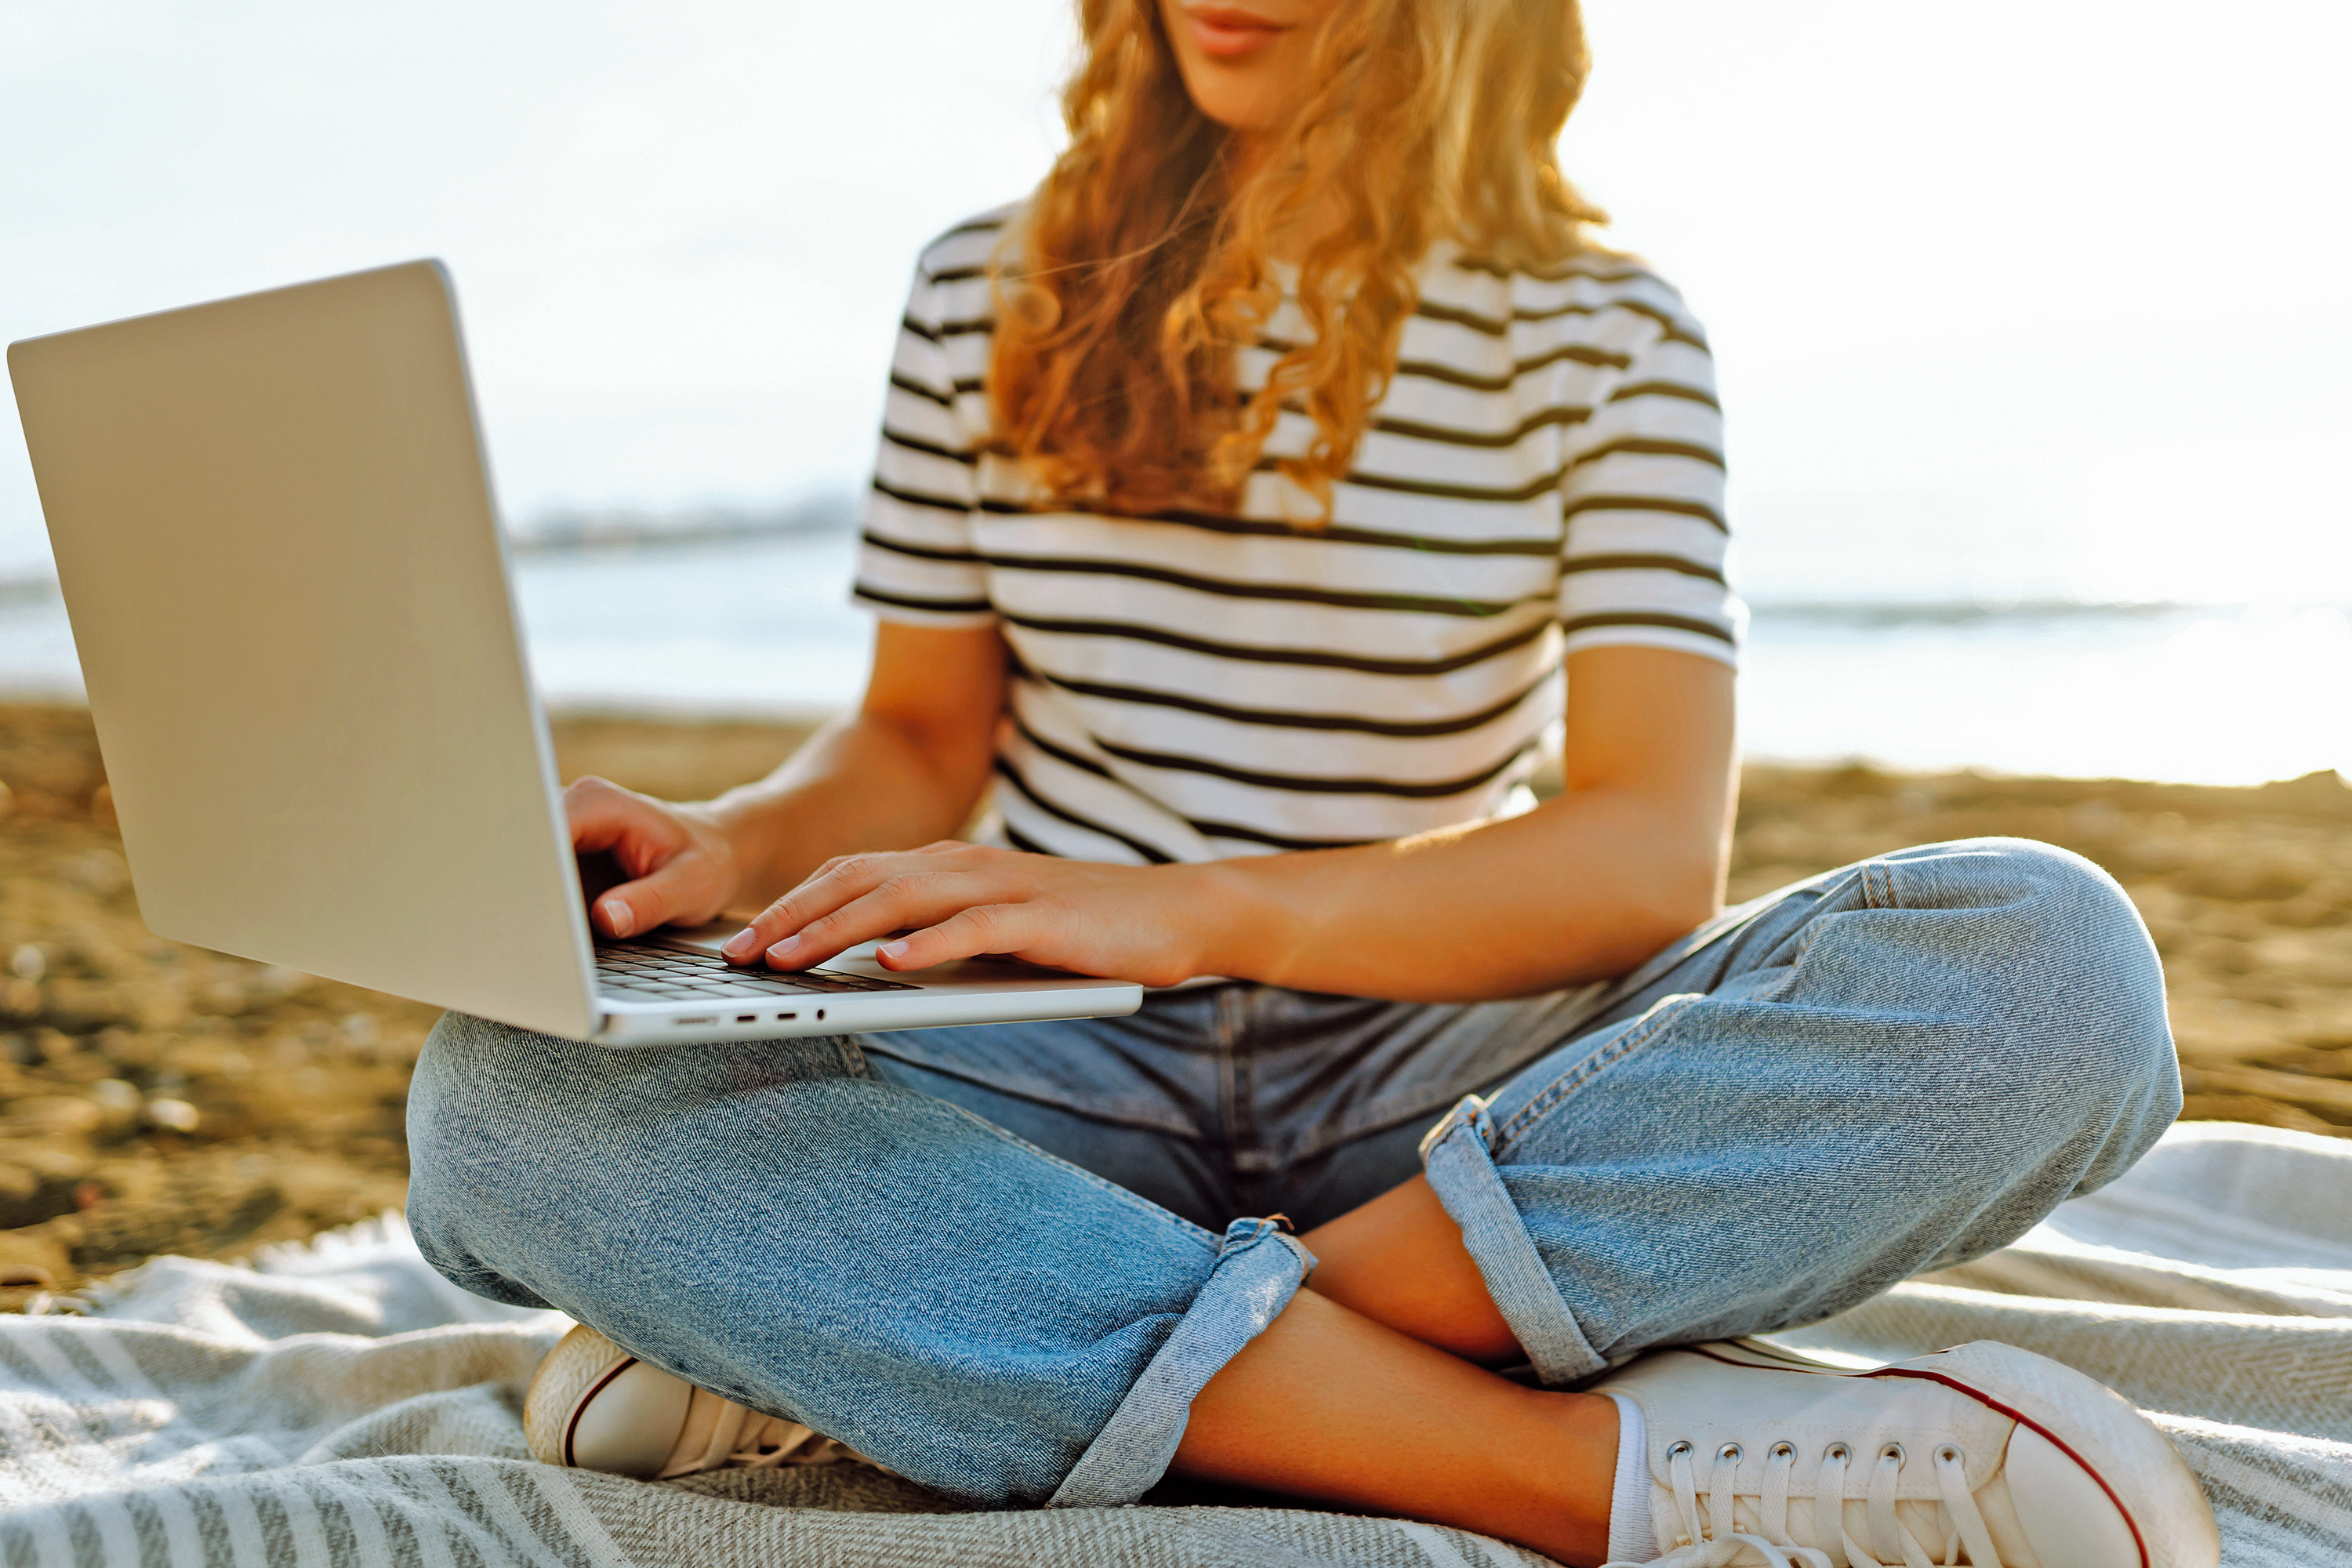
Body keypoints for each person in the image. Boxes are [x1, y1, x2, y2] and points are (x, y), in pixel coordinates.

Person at [405, 2, 2220, 1563]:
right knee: (499, 1092)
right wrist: (729, 846)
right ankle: (1572, 1474)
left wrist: (1191, 910)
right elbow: (914, 740)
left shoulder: (1606, 334)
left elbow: (1648, 850)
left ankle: (971, 1329)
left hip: (1446, 1066)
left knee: (2048, 966)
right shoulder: (986, 285)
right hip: (1046, 1045)